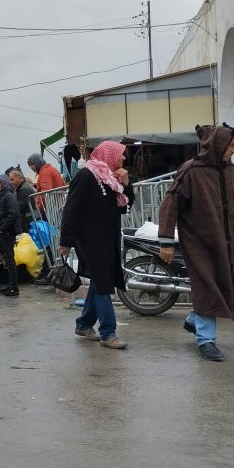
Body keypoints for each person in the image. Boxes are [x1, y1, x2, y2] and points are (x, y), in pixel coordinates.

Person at [157, 124, 234, 362]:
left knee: (223, 283)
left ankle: (194, 320)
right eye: (232, 145)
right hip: (198, 242)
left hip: (225, 241)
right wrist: (166, 241)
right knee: (206, 286)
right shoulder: (191, 170)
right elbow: (170, 204)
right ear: (219, 144)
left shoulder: (230, 170)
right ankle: (206, 340)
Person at [59, 140, 134, 350]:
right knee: (102, 284)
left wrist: (127, 184)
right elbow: (71, 209)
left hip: (107, 239)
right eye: (120, 154)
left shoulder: (110, 178)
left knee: (99, 282)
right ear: (109, 155)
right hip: (89, 241)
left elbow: (125, 207)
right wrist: (66, 240)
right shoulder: (85, 176)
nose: (123, 158)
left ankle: (83, 324)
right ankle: (108, 332)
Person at [0, 174, 21, 297]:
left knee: (9, 260)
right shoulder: (0, 197)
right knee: (7, 260)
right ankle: (11, 285)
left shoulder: (8, 196)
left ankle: (14, 288)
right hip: (2, 232)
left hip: (7, 232)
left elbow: (13, 214)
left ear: (4, 183)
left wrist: (3, 228)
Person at [28, 154, 65, 218]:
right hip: (60, 205)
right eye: (29, 165)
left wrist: (39, 208)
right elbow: (63, 186)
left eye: (32, 164)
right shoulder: (53, 169)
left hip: (52, 208)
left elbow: (45, 193)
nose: (31, 167)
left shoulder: (44, 172)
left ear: (38, 161)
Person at [8, 170, 36, 235]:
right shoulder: (23, 187)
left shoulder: (24, 189)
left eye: (12, 180)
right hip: (30, 218)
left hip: (28, 220)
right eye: (10, 180)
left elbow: (20, 207)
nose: (11, 182)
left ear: (19, 177)